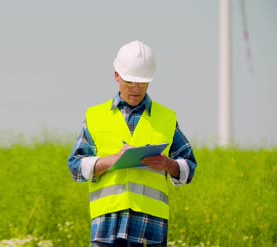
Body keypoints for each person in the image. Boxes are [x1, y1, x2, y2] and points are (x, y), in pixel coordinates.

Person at [67, 40, 197, 247]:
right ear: (117, 76)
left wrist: (167, 164)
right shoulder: (95, 117)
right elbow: (75, 167)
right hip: (106, 228)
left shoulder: (166, 119)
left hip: (150, 230)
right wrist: (112, 161)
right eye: (130, 82)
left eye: (143, 83)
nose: (136, 89)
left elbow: (189, 167)